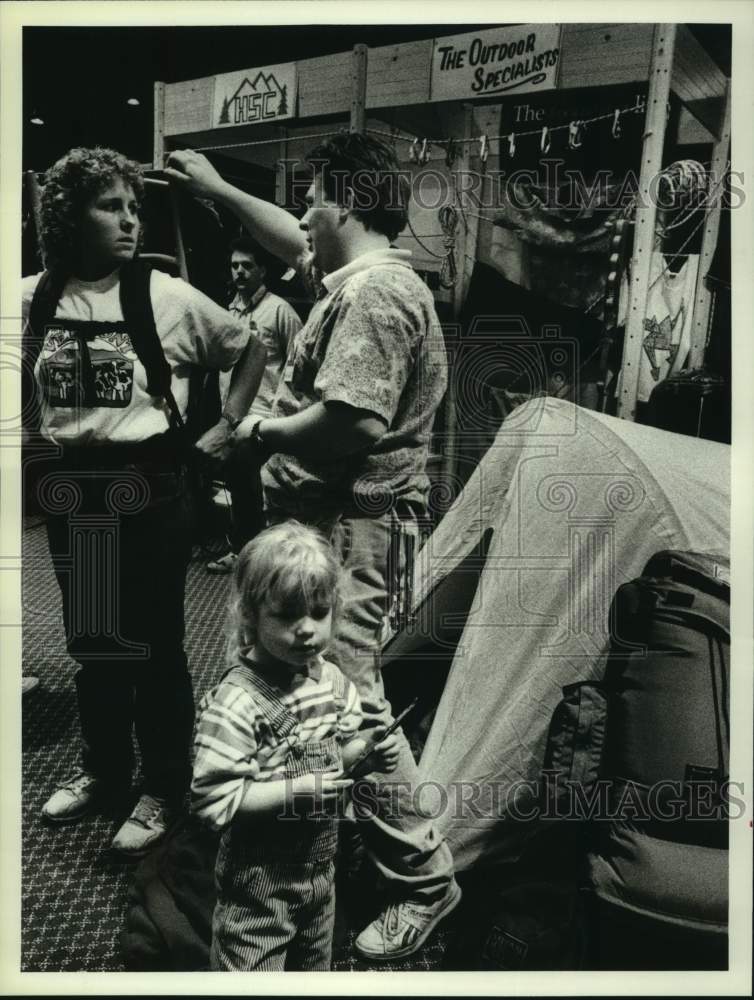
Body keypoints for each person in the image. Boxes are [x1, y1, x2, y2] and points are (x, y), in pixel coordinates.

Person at [167, 132, 460, 960]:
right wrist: (219, 188)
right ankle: (331, 837)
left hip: (357, 529)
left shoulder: (373, 295)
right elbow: (290, 242)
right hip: (344, 526)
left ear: (343, 200)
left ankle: (425, 881)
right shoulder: (362, 280)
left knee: (354, 697)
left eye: (310, 199)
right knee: (329, 688)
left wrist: (257, 428)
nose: (300, 217)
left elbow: (352, 421)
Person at [22, 146, 267, 857]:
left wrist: (227, 426)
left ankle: (165, 784)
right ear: (69, 215)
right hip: (72, 485)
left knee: (155, 644)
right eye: (111, 206)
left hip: (152, 484)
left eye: (135, 207)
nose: (130, 220)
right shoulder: (29, 297)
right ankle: (104, 770)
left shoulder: (165, 295)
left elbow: (247, 345)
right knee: (96, 640)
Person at [192, 521, 400, 970]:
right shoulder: (236, 704)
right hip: (257, 887)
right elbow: (214, 801)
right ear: (250, 614)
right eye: (287, 615)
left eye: (319, 612)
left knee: (313, 970)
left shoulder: (332, 681)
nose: (306, 629)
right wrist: (295, 791)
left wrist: (364, 754)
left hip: (321, 872)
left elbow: (336, 759)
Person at [207, 235, 301, 574]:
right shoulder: (227, 311)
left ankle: (271, 558)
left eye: (247, 266)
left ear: (263, 270)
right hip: (233, 416)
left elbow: (299, 364)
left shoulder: (280, 311)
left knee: (264, 487)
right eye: (235, 266)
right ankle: (244, 552)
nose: (240, 273)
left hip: (267, 418)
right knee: (240, 486)